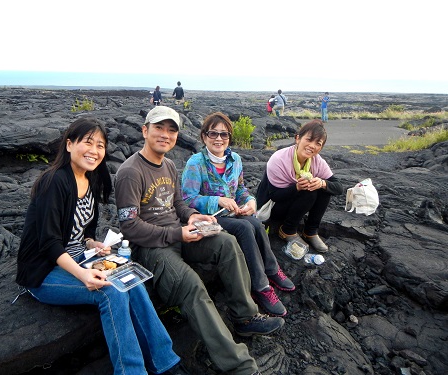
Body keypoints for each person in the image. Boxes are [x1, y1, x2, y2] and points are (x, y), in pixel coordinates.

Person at [115, 106, 284, 375]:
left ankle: (245, 316)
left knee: (227, 242)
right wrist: (177, 233)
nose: (165, 134)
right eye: (159, 128)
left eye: (171, 130)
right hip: (151, 248)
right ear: (145, 131)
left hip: (180, 234)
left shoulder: (168, 165)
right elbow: (130, 226)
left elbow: (179, 204)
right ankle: (239, 366)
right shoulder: (130, 172)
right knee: (192, 285)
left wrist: (193, 217)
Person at [15, 117, 188, 375]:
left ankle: (165, 360)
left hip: (77, 257)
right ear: (70, 144)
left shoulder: (92, 180)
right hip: (43, 271)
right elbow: (50, 243)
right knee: (112, 291)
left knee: (131, 279)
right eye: (88, 143)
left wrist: (91, 243)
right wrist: (83, 274)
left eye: (100, 145)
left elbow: (81, 232)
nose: (94, 151)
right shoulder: (54, 182)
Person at [181, 112, 295, 317]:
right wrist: (217, 200)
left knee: (256, 223)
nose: (218, 139)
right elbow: (187, 199)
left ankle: (271, 269)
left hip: (232, 214)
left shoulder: (235, 160)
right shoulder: (195, 163)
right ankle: (261, 288)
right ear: (204, 137)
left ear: (229, 138)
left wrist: (250, 201)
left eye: (224, 134)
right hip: (207, 218)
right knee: (244, 227)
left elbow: (240, 189)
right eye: (213, 133)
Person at [256, 119, 343, 253]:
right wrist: (296, 188)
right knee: (310, 191)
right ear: (298, 138)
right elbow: (274, 195)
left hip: (293, 203)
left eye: (318, 143)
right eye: (309, 140)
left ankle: (311, 231)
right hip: (272, 206)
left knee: (323, 187)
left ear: (320, 148)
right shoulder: (279, 159)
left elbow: (338, 187)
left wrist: (322, 183)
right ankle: (287, 231)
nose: (312, 146)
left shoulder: (317, 161)